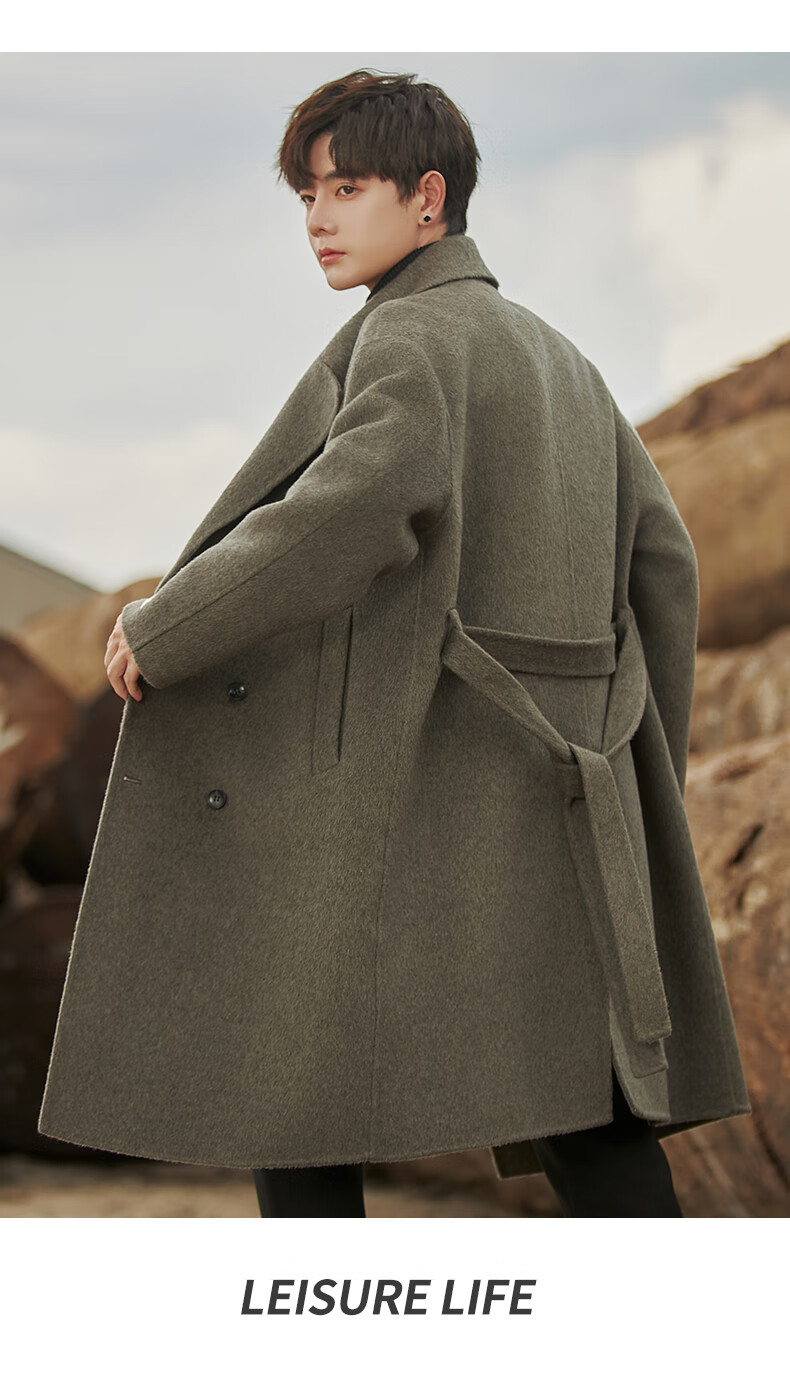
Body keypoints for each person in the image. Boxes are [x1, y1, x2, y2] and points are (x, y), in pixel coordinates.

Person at [42, 69, 749, 1217]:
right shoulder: (561, 359)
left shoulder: (410, 339)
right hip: (554, 801)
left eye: (346, 189)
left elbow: (350, 510)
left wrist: (166, 622)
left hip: (416, 800)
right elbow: (664, 563)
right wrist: (632, 765)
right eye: (306, 195)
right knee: (584, 1104)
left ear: (427, 197)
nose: (317, 220)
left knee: (291, 1073)